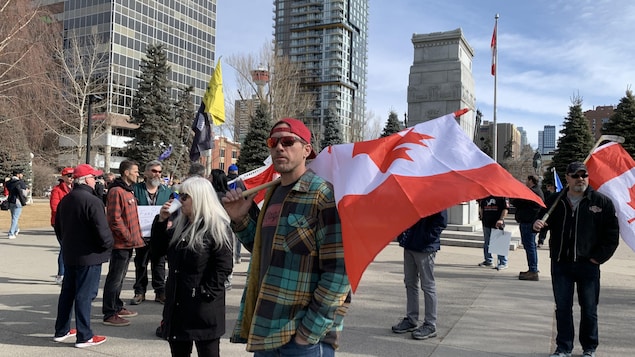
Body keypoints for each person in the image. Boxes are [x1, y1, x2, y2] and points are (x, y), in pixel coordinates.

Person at [223, 117, 351, 356]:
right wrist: (240, 219)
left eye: (288, 141)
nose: (279, 147)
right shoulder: (271, 193)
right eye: (273, 142)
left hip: (303, 339)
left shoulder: (324, 196)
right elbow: (267, 251)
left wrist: (308, 333)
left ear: (306, 150)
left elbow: (340, 272)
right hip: (266, 331)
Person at [533, 162, 619, 357]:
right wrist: (537, 225)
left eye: (584, 175)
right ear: (568, 178)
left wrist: (598, 258)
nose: (581, 178)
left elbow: (611, 234)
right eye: (576, 175)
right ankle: (564, 347)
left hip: (588, 266)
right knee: (563, 308)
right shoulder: (555, 201)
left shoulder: (600, 202)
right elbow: (541, 223)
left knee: (589, 309)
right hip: (561, 263)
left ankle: (589, 348)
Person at [152, 177, 233, 357]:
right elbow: (157, 252)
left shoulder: (216, 227)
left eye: (184, 197)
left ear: (199, 198)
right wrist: (161, 221)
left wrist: (206, 293)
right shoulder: (181, 225)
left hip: (203, 308)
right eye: (180, 196)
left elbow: (224, 266)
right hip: (178, 304)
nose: (180, 201)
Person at [53, 163, 113, 348]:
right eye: (94, 177)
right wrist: (108, 245)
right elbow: (102, 232)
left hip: (71, 254)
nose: (96, 180)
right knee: (85, 295)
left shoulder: (66, 199)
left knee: (68, 293)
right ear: (86, 180)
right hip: (90, 255)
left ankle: (61, 330)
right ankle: (84, 335)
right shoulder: (92, 201)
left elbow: (58, 228)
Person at [391, 211, 447, 340]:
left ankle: (430, 324)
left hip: (425, 247)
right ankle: (411, 319)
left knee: (427, 286)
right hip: (410, 244)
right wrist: (402, 235)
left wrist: (427, 238)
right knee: (410, 283)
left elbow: (441, 221)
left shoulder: (435, 196)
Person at [102, 160, 144, 326]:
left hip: (129, 243)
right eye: (135, 171)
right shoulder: (116, 191)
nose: (137, 174)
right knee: (115, 278)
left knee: (120, 277)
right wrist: (127, 236)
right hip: (121, 244)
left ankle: (117, 306)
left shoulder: (129, 191)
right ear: (126, 172)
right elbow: (114, 219)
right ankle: (109, 312)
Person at [131, 160, 171, 305]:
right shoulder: (136, 189)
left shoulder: (167, 191)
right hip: (141, 233)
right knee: (141, 263)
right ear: (146, 172)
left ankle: (160, 292)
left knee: (159, 263)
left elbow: (173, 210)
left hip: (159, 234)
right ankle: (140, 291)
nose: (157, 174)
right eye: (154, 171)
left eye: (159, 172)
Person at [511, 175, 544, 281]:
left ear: (531, 180)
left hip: (528, 223)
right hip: (529, 222)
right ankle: (532, 269)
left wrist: (515, 192)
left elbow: (516, 202)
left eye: (527, 180)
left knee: (530, 247)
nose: (526, 182)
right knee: (531, 247)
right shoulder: (536, 191)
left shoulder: (532, 192)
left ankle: (533, 270)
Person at [50, 167, 74, 285]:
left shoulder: (74, 189)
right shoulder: (57, 190)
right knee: (64, 247)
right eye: (69, 176)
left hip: (71, 222)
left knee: (69, 247)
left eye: (72, 175)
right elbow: (55, 207)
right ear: (63, 177)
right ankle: (61, 274)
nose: (71, 178)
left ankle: (68, 273)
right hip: (60, 222)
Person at [477, 196, 510, 270]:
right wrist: (482, 216)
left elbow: (506, 208)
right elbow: (482, 207)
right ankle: (488, 261)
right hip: (486, 222)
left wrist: (501, 219)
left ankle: (503, 262)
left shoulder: (502, 196)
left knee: (500, 242)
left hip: (497, 222)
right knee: (487, 243)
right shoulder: (485, 195)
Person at [225, 164, 245, 264]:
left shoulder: (225, 181)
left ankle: (231, 255)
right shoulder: (240, 181)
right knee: (237, 235)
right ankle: (237, 256)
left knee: (228, 234)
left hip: (226, 210)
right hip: (238, 209)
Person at [6, 168, 28, 240]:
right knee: (15, 218)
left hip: (10, 201)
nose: (22, 175)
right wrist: (27, 191)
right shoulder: (20, 183)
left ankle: (16, 229)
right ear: (18, 175)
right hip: (18, 201)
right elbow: (24, 193)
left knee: (13, 217)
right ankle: (11, 233)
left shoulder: (9, 182)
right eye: (21, 174)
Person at [537, 182, 557, 248]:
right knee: (543, 230)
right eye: (550, 186)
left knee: (553, 231)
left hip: (554, 215)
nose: (551, 187)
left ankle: (552, 243)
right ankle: (540, 241)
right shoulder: (546, 194)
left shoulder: (558, 195)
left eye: (552, 186)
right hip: (547, 214)